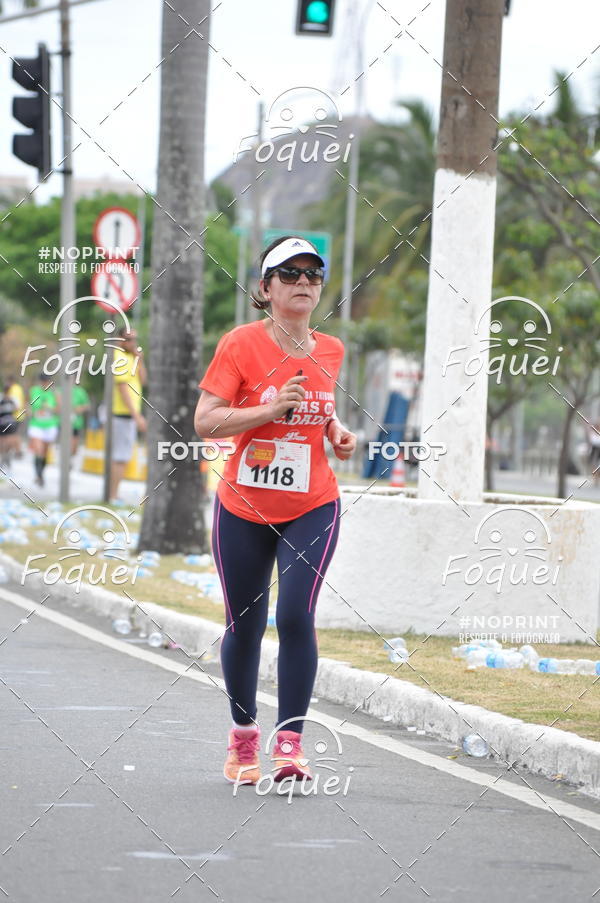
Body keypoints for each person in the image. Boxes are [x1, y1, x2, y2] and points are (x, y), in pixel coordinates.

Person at [194, 235, 357, 786]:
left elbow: (318, 411)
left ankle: (291, 744)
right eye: (289, 274)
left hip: (313, 502)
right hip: (242, 505)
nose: (304, 283)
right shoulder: (240, 344)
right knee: (246, 623)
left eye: (313, 274)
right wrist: (269, 408)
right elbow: (205, 422)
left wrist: (334, 430)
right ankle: (244, 740)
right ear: (265, 289)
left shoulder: (330, 349)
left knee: (295, 617)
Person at [110, 327, 147, 502]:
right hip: (122, 413)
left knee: (124, 455)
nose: (133, 343)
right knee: (120, 456)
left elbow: (144, 380)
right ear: (119, 340)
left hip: (130, 414)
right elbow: (123, 388)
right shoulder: (119, 357)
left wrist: (140, 361)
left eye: (135, 339)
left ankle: (115, 493)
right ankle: (113, 495)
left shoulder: (132, 358)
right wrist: (136, 416)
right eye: (129, 339)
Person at [28, 372, 59, 487]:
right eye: (43, 381)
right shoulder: (35, 391)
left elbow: (58, 409)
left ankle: (41, 474)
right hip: (36, 425)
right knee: (38, 449)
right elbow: (32, 405)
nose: (45, 384)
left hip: (50, 425)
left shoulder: (55, 393)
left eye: (47, 381)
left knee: (45, 452)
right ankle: (38, 475)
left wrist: (53, 406)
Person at [0, 384, 19, 471]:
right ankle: (3, 459)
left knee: (10, 442)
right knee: (2, 442)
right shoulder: (1, 399)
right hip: (2, 424)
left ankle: (7, 458)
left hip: (10, 423)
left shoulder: (13, 400)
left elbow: (16, 408)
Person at [6, 375, 26, 458]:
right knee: (15, 434)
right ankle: (16, 451)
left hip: (15, 416)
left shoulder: (13, 390)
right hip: (20, 415)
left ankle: (17, 451)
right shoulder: (18, 388)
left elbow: (16, 404)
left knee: (13, 435)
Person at [71, 381, 90, 457]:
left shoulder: (80, 391)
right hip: (63, 423)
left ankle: (71, 460)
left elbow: (87, 405)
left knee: (74, 446)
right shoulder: (62, 390)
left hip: (76, 423)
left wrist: (79, 409)